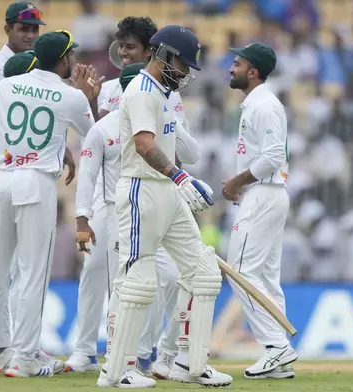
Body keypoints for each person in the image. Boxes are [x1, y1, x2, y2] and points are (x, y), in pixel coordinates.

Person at [98, 25, 231, 388]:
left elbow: (174, 145)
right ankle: (118, 370)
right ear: (165, 55)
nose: (185, 72)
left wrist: (178, 179)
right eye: (183, 64)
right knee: (139, 280)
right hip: (142, 190)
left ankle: (191, 363)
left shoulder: (162, 93)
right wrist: (179, 176)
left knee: (202, 272)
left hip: (166, 192)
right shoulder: (142, 90)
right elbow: (143, 144)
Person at [0, 30, 98, 377]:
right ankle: (23, 358)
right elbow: (94, 137)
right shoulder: (69, 95)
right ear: (63, 59)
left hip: (1, 180)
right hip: (36, 183)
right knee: (32, 275)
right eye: (71, 56)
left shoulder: (8, 85)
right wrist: (87, 98)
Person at [65, 16, 188, 377]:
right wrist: (88, 103)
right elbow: (99, 138)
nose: (124, 53)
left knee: (155, 277)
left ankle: (143, 350)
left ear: (151, 51)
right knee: (95, 272)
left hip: (151, 196)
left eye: (131, 47)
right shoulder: (108, 88)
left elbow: (176, 144)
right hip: (111, 195)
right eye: (121, 47)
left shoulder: (169, 90)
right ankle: (85, 350)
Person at [221, 42, 297, 379]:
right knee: (265, 277)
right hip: (266, 193)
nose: (231, 68)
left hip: (264, 193)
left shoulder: (264, 105)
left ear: (253, 72)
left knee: (239, 272)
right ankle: (276, 355)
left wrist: (237, 182)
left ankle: (277, 347)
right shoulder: (256, 103)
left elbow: (271, 159)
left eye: (237, 64)